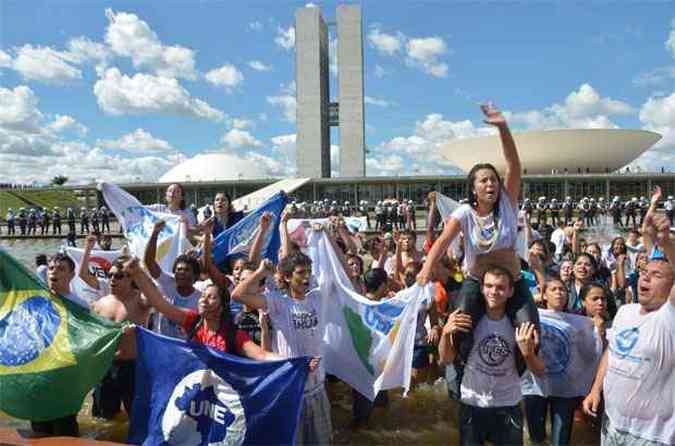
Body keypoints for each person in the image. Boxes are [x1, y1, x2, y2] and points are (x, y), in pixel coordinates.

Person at [418, 103, 539, 370]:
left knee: (531, 331)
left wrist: (503, 127)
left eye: (493, 180)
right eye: (483, 180)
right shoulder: (463, 213)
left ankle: (514, 374)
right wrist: (427, 267)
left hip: (513, 282)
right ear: (473, 188)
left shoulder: (508, 203)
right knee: (460, 328)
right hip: (476, 281)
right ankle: (463, 373)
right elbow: (441, 242)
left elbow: (514, 164)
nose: (490, 184)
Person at [583, 213, 675, 445]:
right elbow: (611, 353)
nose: (645, 278)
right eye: (645, 273)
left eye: (656, 275)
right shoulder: (625, 312)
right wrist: (595, 390)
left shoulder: (669, 317)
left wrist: (665, 243)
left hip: (651, 436)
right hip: (611, 425)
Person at [438, 266, 545, 446]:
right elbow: (446, 359)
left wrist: (528, 354)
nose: (493, 292)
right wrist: (445, 333)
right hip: (472, 402)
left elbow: (539, 370)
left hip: (508, 404)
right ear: (481, 288)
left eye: (500, 287)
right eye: (489, 286)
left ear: (511, 291)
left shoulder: (519, 326)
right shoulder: (468, 322)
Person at [233, 253, 332, 445]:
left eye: (309, 272)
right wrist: (261, 271)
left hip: (317, 388)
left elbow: (337, 272)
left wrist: (327, 233)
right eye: (301, 273)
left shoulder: (317, 298)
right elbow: (238, 295)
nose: (307, 277)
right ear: (287, 277)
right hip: (291, 390)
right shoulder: (278, 302)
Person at [522, 277, 602, 446]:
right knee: (536, 436)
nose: (559, 292)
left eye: (562, 289)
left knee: (562, 435)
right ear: (543, 295)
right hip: (535, 384)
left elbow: (587, 353)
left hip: (564, 387)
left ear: (568, 295)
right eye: (553, 289)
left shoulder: (578, 321)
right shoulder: (531, 314)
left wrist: (597, 331)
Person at [29, 253, 91, 437]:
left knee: (64, 430)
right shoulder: (35, 299)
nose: (54, 272)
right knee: (39, 431)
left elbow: (88, 340)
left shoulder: (80, 306)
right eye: (52, 268)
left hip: (65, 379)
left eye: (61, 269)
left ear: (72, 275)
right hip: (38, 376)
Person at [90, 257, 149, 420]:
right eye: (110, 276)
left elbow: (155, 297)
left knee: (137, 416)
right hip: (106, 366)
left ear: (130, 278)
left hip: (132, 367)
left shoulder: (141, 300)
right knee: (104, 418)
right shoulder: (100, 304)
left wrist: (139, 272)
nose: (112, 279)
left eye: (118, 276)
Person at [144, 220, 202, 338]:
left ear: (195, 276)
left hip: (184, 350)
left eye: (186, 270)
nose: (181, 273)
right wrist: (155, 234)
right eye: (178, 269)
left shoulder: (200, 298)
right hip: (160, 344)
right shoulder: (167, 283)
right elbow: (149, 262)